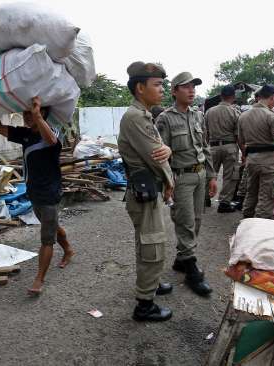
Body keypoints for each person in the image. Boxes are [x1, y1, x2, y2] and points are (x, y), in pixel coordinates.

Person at [0, 97, 74, 295]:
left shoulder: (54, 133)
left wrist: (37, 115)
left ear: (42, 113)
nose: (26, 117)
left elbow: (50, 140)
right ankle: (68, 249)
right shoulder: (24, 134)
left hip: (50, 193)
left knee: (46, 238)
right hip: (33, 191)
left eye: (30, 113)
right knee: (50, 225)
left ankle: (39, 279)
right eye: (25, 113)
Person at [118, 61, 175, 321]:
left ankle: (151, 284)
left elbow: (161, 150)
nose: (162, 89)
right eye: (158, 84)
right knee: (152, 246)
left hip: (147, 190)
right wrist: (171, 183)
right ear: (140, 88)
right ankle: (144, 304)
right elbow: (156, 156)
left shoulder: (144, 114)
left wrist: (169, 150)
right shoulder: (135, 117)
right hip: (144, 192)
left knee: (149, 242)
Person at [155, 71, 216, 296]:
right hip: (180, 178)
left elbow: (205, 147)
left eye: (194, 86)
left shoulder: (198, 115)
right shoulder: (165, 118)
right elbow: (162, 156)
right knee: (186, 221)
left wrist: (211, 176)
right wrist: (167, 183)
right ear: (174, 91)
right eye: (186, 87)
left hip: (199, 175)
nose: (191, 90)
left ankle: (182, 259)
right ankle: (191, 269)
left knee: (197, 220)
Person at [237, 85, 274, 219]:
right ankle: (258, 231)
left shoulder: (243, 116)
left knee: (251, 194)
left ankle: (246, 223)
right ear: (272, 97)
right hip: (269, 162)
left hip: (251, 160)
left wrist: (246, 154)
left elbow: (241, 141)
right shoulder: (273, 116)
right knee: (266, 198)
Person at [204, 85, 241, 213]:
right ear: (233, 97)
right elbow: (238, 135)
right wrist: (243, 150)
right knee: (230, 176)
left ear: (221, 96)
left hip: (213, 146)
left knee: (210, 173)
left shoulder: (209, 112)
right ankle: (224, 202)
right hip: (230, 146)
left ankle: (205, 198)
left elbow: (205, 134)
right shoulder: (235, 112)